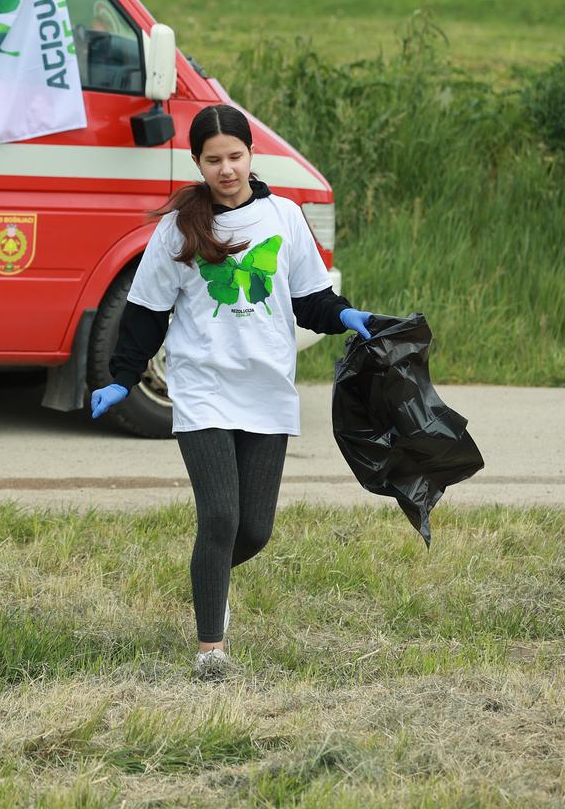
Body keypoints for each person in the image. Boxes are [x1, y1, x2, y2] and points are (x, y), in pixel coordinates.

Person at [91, 102, 387, 680]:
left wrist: (345, 314)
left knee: (255, 529)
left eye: (235, 156)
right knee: (221, 517)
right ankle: (211, 652)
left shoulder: (284, 217)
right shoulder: (180, 227)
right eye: (212, 160)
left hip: (267, 387)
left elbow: (309, 300)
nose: (225, 169)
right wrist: (122, 377)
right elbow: (146, 312)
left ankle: (211, 583)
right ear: (197, 163)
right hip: (202, 387)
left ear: (252, 155)